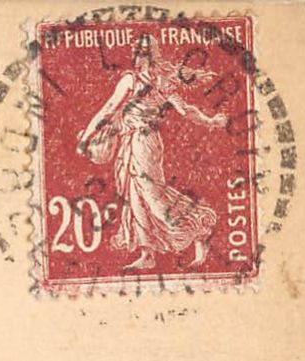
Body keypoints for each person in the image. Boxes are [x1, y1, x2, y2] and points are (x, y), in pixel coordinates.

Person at [77, 34, 231, 270]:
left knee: (151, 195)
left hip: (144, 143)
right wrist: (210, 121)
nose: (140, 57)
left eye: (143, 52)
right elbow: (110, 110)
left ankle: (199, 228)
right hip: (132, 141)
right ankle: (147, 253)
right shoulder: (143, 80)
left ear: (150, 55)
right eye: (138, 52)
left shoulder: (148, 81)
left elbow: (109, 110)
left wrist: (86, 138)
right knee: (134, 195)